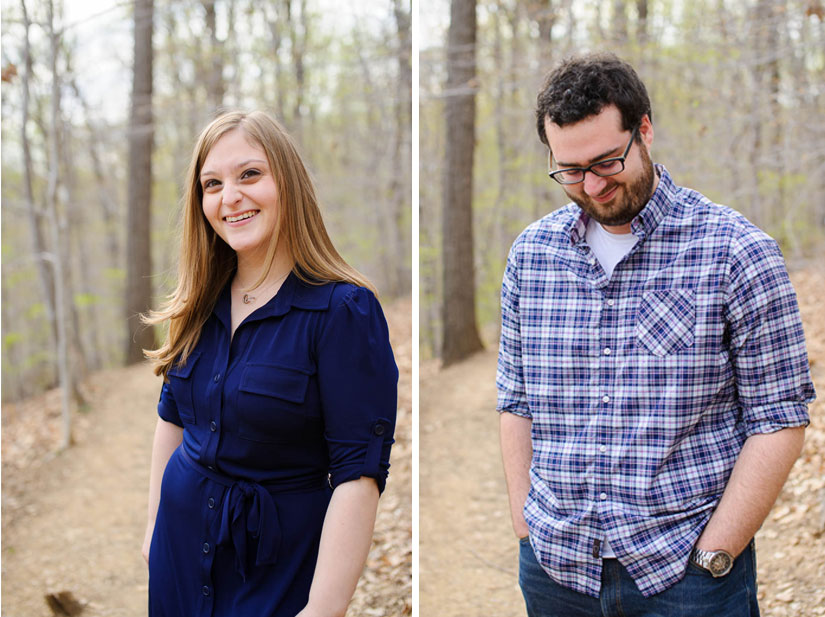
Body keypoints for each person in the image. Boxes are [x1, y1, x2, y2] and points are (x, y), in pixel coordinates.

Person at [496, 52, 815, 617]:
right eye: (570, 170)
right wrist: (526, 524)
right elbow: (517, 400)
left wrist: (718, 553)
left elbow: (779, 417)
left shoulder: (738, 252)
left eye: (606, 162)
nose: (591, 185)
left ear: (644, 129)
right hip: (556, 571)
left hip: (688, 575)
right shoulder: (531, 257)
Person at [141, 110, 398, 617]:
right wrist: (152, 533)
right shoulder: (197, 302)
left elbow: (358, 476)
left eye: (249, 175)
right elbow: (172, 420)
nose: (229, 196)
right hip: (178, 555)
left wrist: (323, 610)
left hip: (275, 570)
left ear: (289, 183)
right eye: (211, 184)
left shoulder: (342, 311)